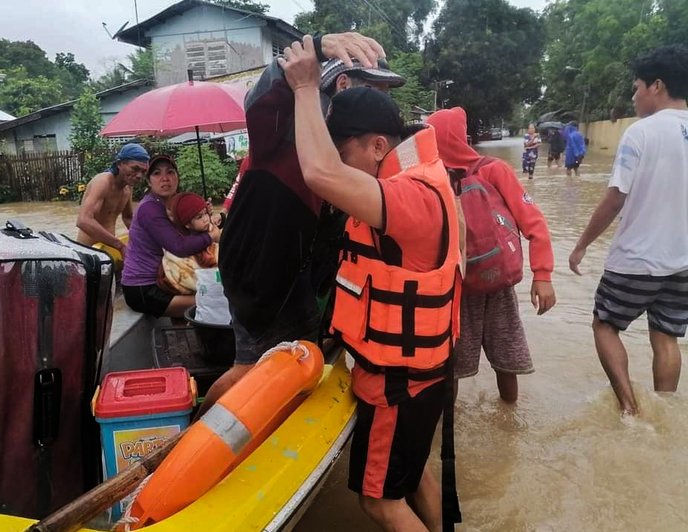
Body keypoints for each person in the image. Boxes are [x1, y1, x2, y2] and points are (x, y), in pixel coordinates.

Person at [280, 36, 462, 532]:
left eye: (346, 151)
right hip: (423, 374)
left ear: (378, 145)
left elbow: (319, 173)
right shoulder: (427, 177)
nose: (340, 163)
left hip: (399, 384)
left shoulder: (407, 199)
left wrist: (303, 87)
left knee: (379, 503)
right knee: (415, 471)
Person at [200, 32, 404, 418]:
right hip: (258, 270)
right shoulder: (288, 123)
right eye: (377, 88)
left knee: (298, 363)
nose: (384, 100)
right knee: (251, 369)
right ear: (343, 84)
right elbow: (259, 99)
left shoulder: (357, 145)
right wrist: (319, 44)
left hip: (301, 276)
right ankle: (200, 426)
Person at [568, 44, 688, 416]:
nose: (634, 96)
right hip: (682, 262)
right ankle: (664, 412)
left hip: (634, 259)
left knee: (604, 325)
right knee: (666, 337)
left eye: (636, 87)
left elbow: (615, 198)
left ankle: (630, 409)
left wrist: (581, 246)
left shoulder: (641, 133)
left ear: (657, 85)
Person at [426, 107, 557, 403]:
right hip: (497, 282)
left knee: (452, 367)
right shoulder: (493, 169)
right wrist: (542, 275)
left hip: (456, 289)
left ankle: (450, 434)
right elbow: (533, 221)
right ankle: (509, 425)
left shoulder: (433, 178)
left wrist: (543, 274)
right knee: (505, 359)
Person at [121, 155, 221, 318]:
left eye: (170, 172)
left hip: (168, 280)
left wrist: (202, 216)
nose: (165, 178)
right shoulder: (149, 209)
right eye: (157, 173)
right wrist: (211, 236)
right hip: (143, 288)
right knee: (216, 299)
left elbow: (189, 231)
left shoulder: (175, 204)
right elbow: (179, 247)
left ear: (177, 177)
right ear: (149, 181)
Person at [75, 142, 149, 257]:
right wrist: (120, 245)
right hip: (87, 252)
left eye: (143, 172)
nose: (139, 175)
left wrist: (145, 242)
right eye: (135, 168)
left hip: (108, 250)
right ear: (120, 164)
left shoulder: (127, 187)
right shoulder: (102, 182)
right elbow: (83, 220)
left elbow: (128, 218)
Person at [156, 192, 219, 295]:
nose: (206, 219)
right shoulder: (182, 244)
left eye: (205, 213)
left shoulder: (210, 230)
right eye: (199, 217)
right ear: (187, 224)